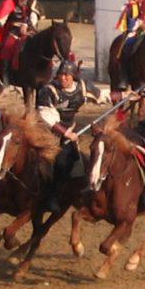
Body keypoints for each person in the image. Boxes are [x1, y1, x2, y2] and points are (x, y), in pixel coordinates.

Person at [36, 60, 107, 213]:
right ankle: (51, 196)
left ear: (73, 76)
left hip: (70, 135)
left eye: (67, 75)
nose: (63, 78)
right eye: (61, 75)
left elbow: (102, 96)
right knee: (58, 162)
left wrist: (125, 95)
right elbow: (46, 116)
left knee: (74, 163)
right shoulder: (48, 91)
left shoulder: (82, 87)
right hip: (48, 134)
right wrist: (66, 133)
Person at [0, 0, 41, 82]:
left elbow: (34, 16)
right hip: (14, 31)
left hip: (30, 30)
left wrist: (27, 25)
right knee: (7, 47)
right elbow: (3, 17)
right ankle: (5, 74)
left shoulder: (32, 2)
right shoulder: (11, 2)